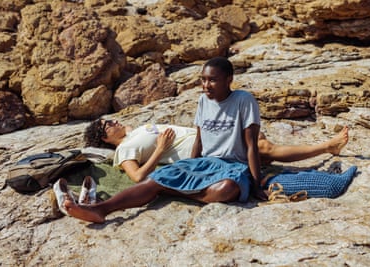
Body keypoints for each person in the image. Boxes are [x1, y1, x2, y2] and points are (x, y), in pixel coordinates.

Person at [60, 57, 268, 223]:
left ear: (229, 79)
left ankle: (168, 188)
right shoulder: (204, 100)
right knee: (156, 178)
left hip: (233, 164)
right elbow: (199, 140)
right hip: (205, 160)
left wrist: (256, 184)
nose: (205, 85)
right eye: (203, 79)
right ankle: (100, 209)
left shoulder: (243, 100)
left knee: (227, 189)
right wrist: (191, 164)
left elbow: (251, 145)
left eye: (212, 80)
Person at [84, 119, 349, 183]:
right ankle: (328, 146)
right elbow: (137, 177)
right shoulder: (123, 150)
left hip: (209, 137)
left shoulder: (133, 132)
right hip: (203, 151)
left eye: (111, 119)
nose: (113, 122)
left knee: (256, 134)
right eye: (107, 126)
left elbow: (137, 131)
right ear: (105, 139)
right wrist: (161, 150)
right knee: (263, 149)